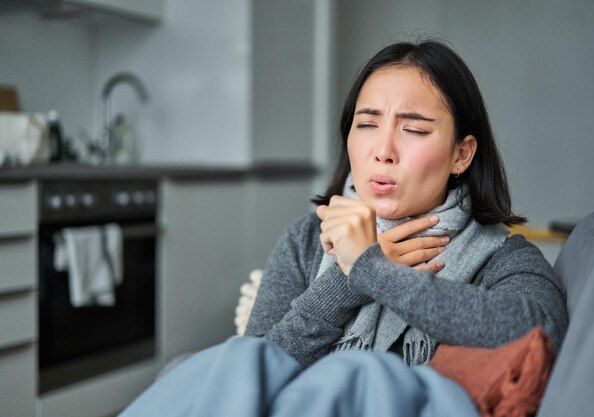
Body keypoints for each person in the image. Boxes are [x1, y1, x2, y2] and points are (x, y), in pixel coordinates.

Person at [119, 40, 568, 417]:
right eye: (367, 124)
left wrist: (371, 269)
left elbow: (538, 331)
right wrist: (344, 282)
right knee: (186, 369)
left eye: (413, 129)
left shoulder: (501, 257)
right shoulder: (305, 239)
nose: (383, 150)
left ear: (461, 154)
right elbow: (255, 364)